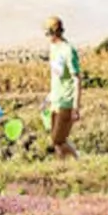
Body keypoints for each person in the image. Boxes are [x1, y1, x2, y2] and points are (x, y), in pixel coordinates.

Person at [44, 16, 82, 160]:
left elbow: (77, 79)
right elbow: (57, 76)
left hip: (66, 100)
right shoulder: (53, 48)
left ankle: (78, 159)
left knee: (57, 139)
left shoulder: (68, 50)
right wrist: (49, 96)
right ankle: (62, 167)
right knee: (57, 142)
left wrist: (76, 107)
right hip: (56, 98)